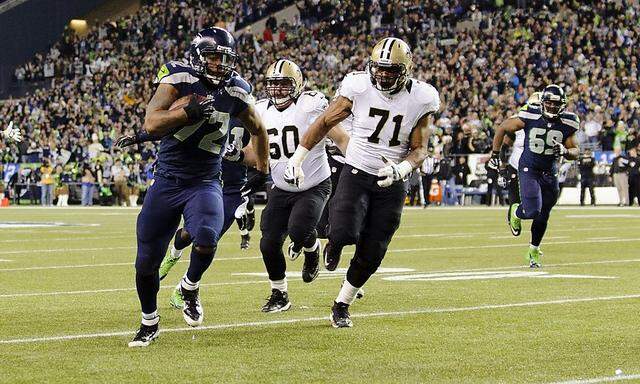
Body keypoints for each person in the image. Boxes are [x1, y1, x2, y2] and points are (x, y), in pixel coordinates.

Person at [123, 27, 270, 348]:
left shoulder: (237, 90)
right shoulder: (177, 78)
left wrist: (263, 167)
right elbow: (151, 123)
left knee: (206, 237)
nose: (219, 64)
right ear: (198, 56)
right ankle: (150, 321)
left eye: (225, 58)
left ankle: (190, 287)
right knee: (146, 262)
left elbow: (259, 129)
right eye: (213, 56)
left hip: (204, 181)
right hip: (167, 181)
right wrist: (184, 112)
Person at [285, 37, 440, 328]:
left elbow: (420, 148)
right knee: (344, 232)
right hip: (356, 170)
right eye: (378, 68)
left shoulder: (422, 98)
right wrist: (298, 158)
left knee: (373, 250)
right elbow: (324, 122)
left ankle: (342, 303)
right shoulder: (358, 86)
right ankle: (334, 244)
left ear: (405, 70)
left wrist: (402, 169)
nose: (382, 75)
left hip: (391, 181)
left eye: (390, 70)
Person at [237, 59, 349, 313]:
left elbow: (339, 136)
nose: (277, 90)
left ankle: (311, 248)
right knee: (268, 243)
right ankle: (280, 294)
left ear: (297, 85)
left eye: (283, 84)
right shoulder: (261, 109)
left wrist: (358, 159)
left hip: (314, 184)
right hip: (280, 187)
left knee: (298, 231)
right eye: (273, 84)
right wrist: (235, 155)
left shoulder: (311, 105)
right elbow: (256, 153)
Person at [489, 84, 580, 268]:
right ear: (542, 103)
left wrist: (564, 150)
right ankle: (515, 211)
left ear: (562, 105)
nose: (552, 107)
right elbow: (502, 128)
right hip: (529, 168)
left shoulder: (569, 121)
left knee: (543, 214)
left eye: (556, 104)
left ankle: (533, 250)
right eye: (549, 103)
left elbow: (575, 150)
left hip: (550, 171)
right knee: (532, 211)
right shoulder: (530, 114)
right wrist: (494, 155)